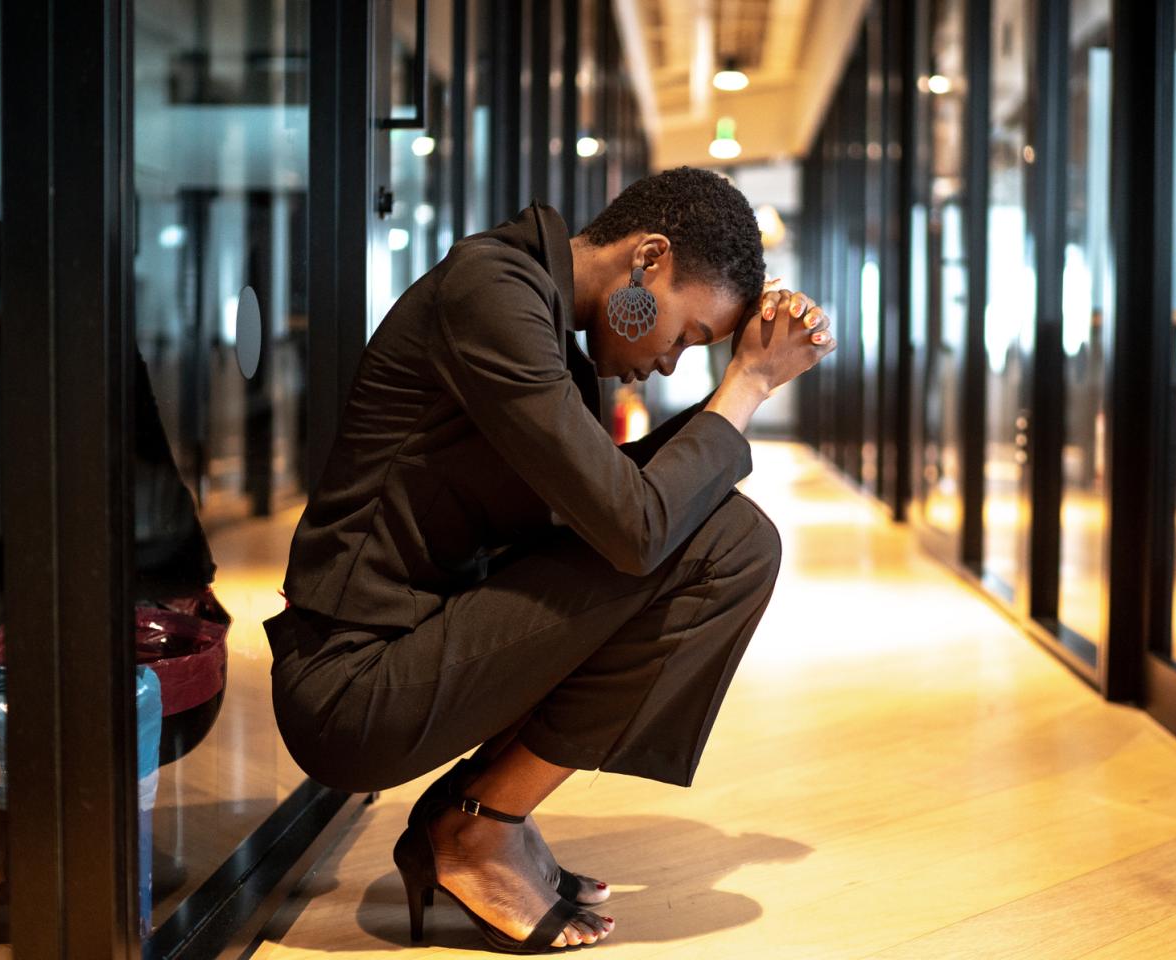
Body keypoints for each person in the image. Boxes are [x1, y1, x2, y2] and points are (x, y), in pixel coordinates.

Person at [264, 166, 834, 953]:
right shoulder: (492, 297)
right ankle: (477, 827)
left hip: (417, 646)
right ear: (648, 259)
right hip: (351, 686)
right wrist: (749, 384)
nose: (671, 362)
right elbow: (635, 528)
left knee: (732, 537)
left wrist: (743, 371)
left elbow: (620, 511)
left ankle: (483, 813)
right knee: (728, 543)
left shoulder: (542, 318)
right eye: (686, 335)